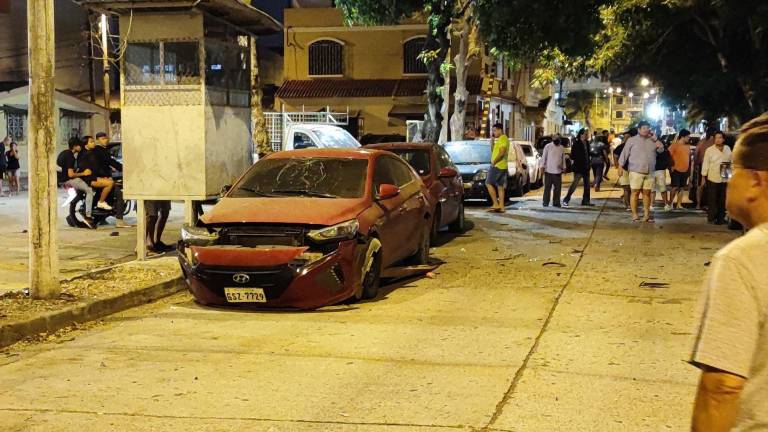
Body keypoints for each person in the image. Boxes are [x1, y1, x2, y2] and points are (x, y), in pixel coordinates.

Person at [690, 113, 768, 431]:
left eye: (732, 171)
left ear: (755, 181)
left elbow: (721, 389)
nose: (729, 181)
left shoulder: (743, 259)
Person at [618, 121, 664, 222]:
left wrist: (656, 139)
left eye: (648, 128)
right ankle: (635, 215)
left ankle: (646, 215)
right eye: (644, 128)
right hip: (635, 171)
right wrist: (620, 166)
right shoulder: (632, 140)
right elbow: (624, 153)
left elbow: (661, 150)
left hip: (650, 171)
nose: (646, 130)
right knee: (635, 193)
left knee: (647, 193)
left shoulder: (653, 141)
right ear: (639, 129)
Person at [57, 137, 96, 229]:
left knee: (79, 194)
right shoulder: (70, 156)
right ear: (75, 146)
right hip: (68, 180)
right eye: (80, 146)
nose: (81, 147)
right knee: (89, 190)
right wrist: (84, 173)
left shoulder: (63, 153)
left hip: (61, 180)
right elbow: (70, 174)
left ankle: (72, 216)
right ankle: (88, 216)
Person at [701, 131, 732, 225]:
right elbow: (705, 164)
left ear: (723, 139)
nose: (718, 140)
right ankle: (712, 216)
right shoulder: (709, 150)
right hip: (713, 177)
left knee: (722, 199)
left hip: (725, 176)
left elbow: (731, 161)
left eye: (720, 137)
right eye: (716, 138)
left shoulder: (727, 148)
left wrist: (731, 176)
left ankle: (721, 218)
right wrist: (703, 177)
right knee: (712, 199)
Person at [79, 135, 114, 211]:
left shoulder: (90, 153)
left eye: (93, 141)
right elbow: (92, 168)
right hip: (89, 178)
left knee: (108, 182)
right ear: (86, 145)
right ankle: (101, 202)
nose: (93, 143)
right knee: (110, 183)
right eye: (91, 142)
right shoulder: (87, 154)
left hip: (92, 177)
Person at [563, 128, 591, 207]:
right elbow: (573, 155)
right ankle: (566, 199)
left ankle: (586, 201)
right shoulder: (576, 143)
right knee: (574, 185)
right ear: (582, 134)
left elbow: (588, 154)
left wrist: (589, 163)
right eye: (586, 134)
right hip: (579, 168)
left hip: (586, 167)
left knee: (587, 186)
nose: (587, 135)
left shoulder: (587, 143)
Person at [485, 123, 509, 213]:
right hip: (502, 166)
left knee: (488, 183)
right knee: (500, 186)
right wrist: (492, 143)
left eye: (494, 130)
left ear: (500, 130)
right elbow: (494, 151)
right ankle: (501, 207)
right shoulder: (501, 139)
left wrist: (494, 162)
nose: (493, 132)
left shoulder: (503, 138)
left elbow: (502, 153)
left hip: (497, 166)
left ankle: (495, 203)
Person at [668, 129, 692, 210]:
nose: (689, 138)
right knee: (675, 187)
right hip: (676, 170)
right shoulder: (674, 145)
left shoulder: (687, 146)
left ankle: (679, 204)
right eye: (688, 137)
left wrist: (689, 169)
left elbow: (688, 158)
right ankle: (670, 203)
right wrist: (671, 166)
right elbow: (668, 155)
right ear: (683, 136)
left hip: (685, 170)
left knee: (682, 188)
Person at [695, 126, 717, 210]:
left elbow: (696, 154)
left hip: (702, 165)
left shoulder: (701, 142)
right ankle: (708, 204)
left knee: (701, 186)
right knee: (710, 186)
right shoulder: (714, 143)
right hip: (711, 166)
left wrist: (696, 164)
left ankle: (698, 204)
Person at [613, 129, 636, 210]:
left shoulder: (623, 146)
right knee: (627, 189)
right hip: (626, 169)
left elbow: (615, 155)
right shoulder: (624, 146)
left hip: (631, 169)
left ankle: (628, 204)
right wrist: (617, 165)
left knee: (628, 189)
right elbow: (615, 155)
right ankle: (628, 204)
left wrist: (616, 164)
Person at [541, 137, 566, 207]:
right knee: (547, 188)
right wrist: (542, 167)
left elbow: (563, 158)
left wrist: (564, 168)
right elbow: (544, 157)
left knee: (557, 188)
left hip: (558, 172)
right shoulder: (548, 146)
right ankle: (545, 202)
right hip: (548, 171)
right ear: (553, 140)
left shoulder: (561, 148)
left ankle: (556, 202)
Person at [652, 140, 672, 212]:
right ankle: (652, 204)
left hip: (660, 170)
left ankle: (666, 204)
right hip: (653, 171)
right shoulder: (652, 150)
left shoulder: (664, 151)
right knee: (652, 189)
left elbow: (668, 159)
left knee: (662, 188)